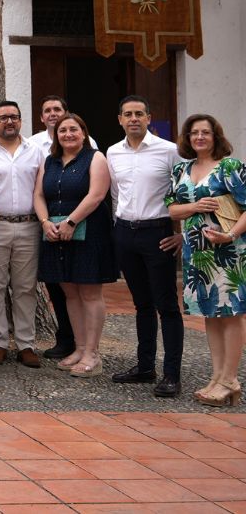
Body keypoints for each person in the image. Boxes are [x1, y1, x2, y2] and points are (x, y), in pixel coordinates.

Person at [166, 114, 246, 406]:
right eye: (193, 133)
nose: (199, 137)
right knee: (211, 313)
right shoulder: (180, 170)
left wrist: (230, 235)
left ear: (216, 136)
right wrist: (195, 206)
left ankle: (230, 378)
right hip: (197, 253)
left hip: (228, 251)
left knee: (232, 313)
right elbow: (172, 210)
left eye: (205, 133)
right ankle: (216, 377)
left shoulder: (230, 167)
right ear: (187, 139)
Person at [107, 95, 183, 398]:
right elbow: (115, 193)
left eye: (139, 113)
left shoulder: (170, 151)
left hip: (159, 233)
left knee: (167, 305)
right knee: (141, 304)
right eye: (128, 114)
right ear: (120, 120)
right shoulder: (113, 153)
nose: (134, 119)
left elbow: (184, 192)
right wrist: (118, 228)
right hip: (126, 233)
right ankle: (144, 366)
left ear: (149, 118)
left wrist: (181, 234)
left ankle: (172, 375)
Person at [34, 113, 116, 378]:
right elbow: (38, 195)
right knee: (70, 293)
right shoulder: (50, 161)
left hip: (88, 232)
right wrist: (46, 222)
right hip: (56, 234)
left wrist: (71, 221)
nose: (68, 134)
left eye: (73, 130)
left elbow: (97, 195)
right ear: (56, 135)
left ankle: (93, 353)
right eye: (62, 131)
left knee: (90, 293)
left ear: (84, 133)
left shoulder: (96, 158)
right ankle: (79, 349)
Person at [0, 100, 45, 368]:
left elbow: (40, 191)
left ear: (20, 120)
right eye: (3, 117)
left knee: (25, 287)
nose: (9, 122)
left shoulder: (36, 151)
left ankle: (26, 344)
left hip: (28, 225)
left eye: (14, 117)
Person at [28, 95, 80, 361]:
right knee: (54, 282)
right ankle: (65, 338)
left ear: (65, 112)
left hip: (76, 223)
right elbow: (36, 186)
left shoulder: (84, 141)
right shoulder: (34, 144)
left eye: (57, 109)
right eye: (47, 110)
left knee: (76, 282)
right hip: (47, 221)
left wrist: (72, 221)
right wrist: (44, 220)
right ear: (41, 117)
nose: (52, 113)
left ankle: (82, 342)